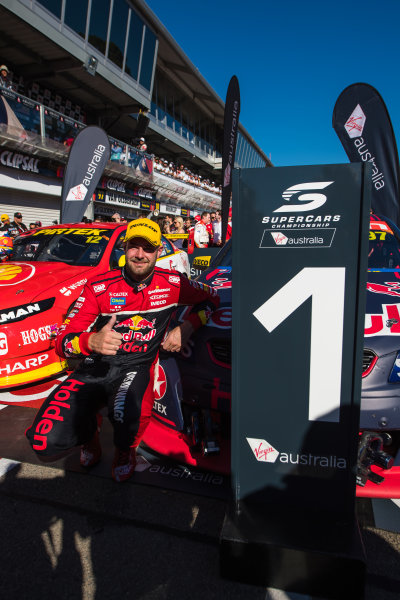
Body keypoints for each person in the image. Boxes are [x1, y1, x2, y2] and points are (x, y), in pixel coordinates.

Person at [26, 218, 220, 483]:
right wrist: (89, 342)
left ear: (158, 252)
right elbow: (62, 340)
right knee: (43, 440)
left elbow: (213, 298)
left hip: (136, 366)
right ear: (125, 248)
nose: (140, 254)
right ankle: (89, 438)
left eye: (148, 248)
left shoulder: (173, 283)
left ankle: (124, 452)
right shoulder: (99, 287)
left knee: (127, 416)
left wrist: (187, 327)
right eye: (134, 246)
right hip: (95, 366)